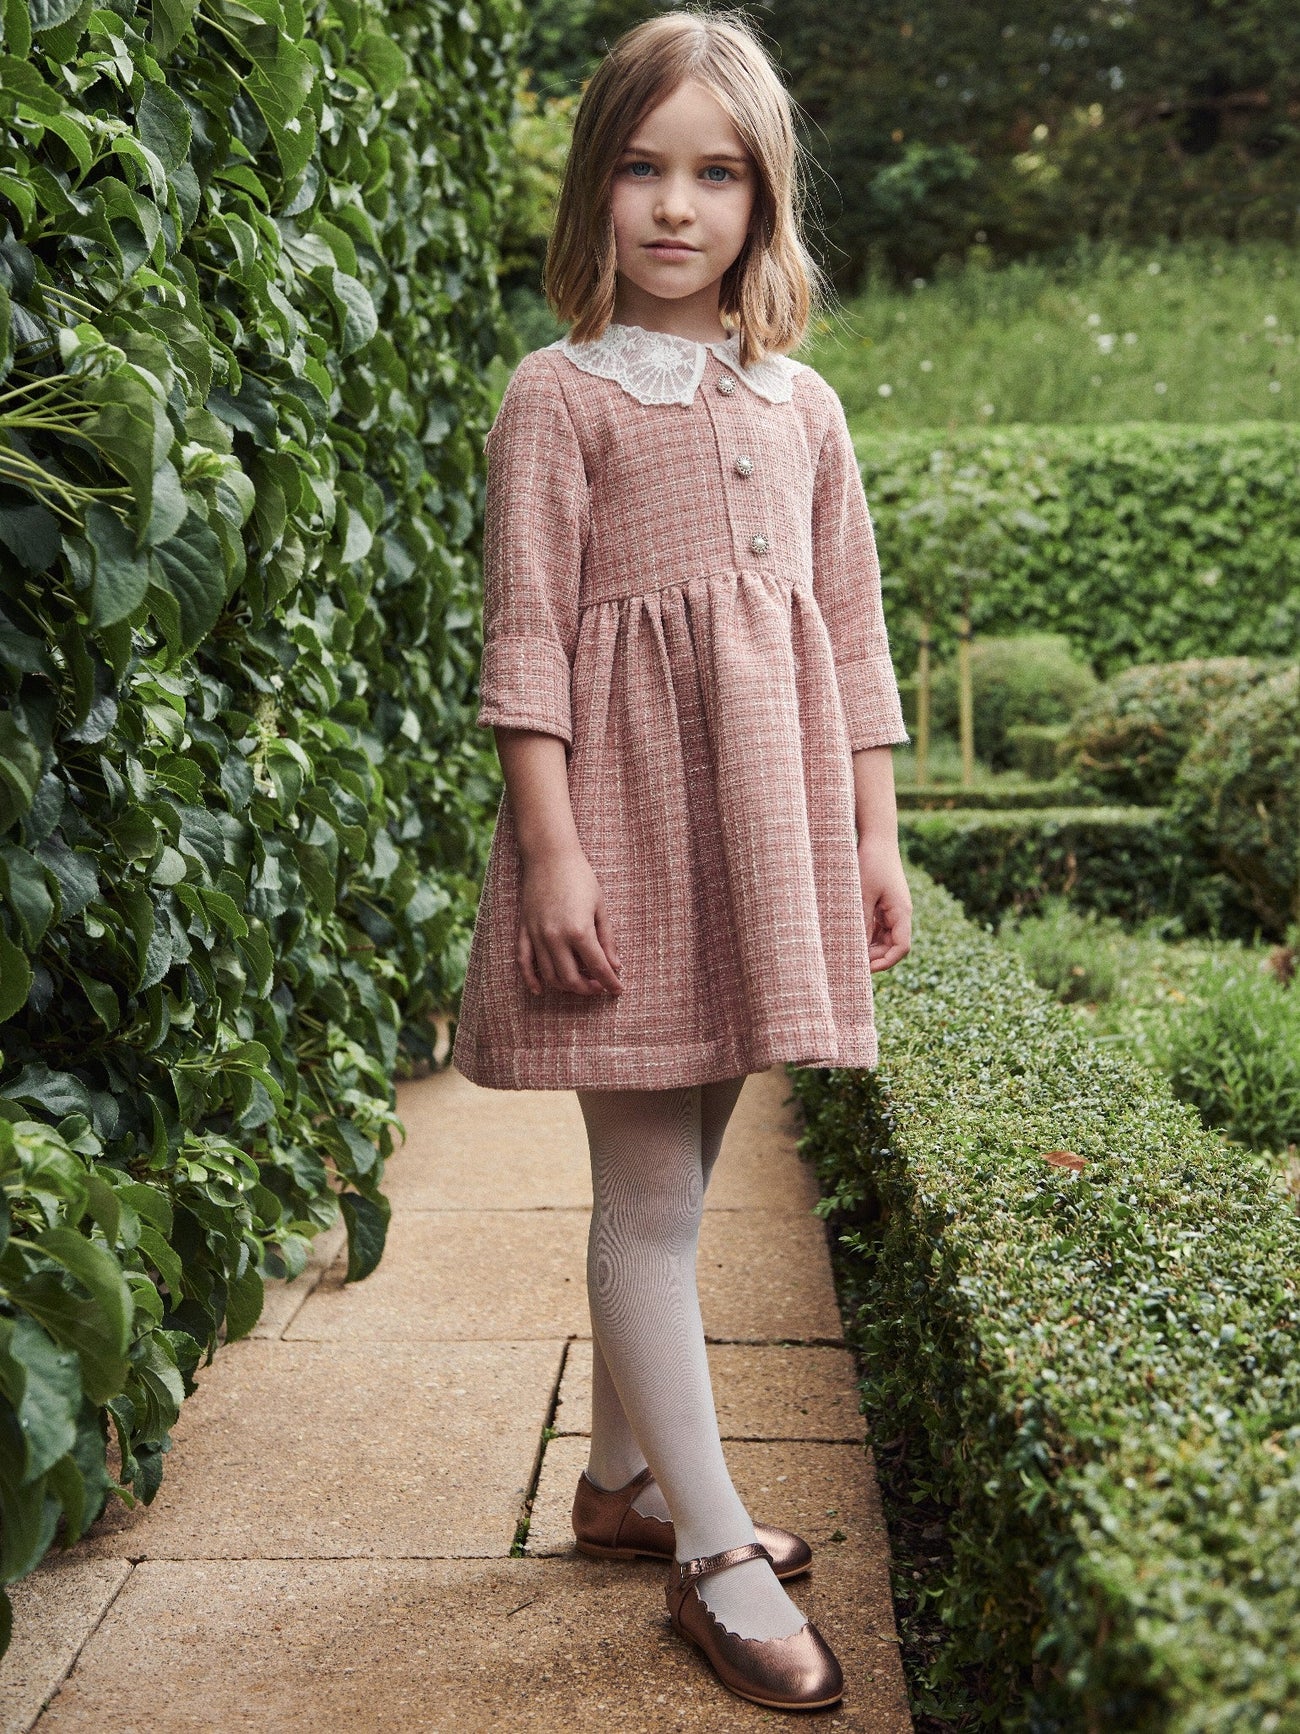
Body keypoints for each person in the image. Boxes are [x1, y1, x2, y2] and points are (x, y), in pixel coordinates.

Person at [452, 7, 912, 1713]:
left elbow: (851, 629)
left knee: (690, 1182)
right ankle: (714, 1554)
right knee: (647, 1201)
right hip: (629, 838)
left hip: (764, 839)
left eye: (715, 173)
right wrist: (552, 850)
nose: (674, 205)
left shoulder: (804, 406)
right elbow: (526, 640)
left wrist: (874, 828)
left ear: (762, 197)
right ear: (597, 185)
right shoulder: (556, 395)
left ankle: (619, 1485)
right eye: (643, 167)